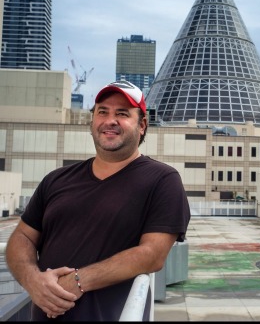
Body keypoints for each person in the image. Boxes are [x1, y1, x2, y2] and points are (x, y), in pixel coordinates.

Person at [5, 81, 191, 321]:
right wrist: (33, 281)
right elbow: (22, 237)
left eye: (122, 114)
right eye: (102, 112)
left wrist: (78, 281)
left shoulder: (162, 180)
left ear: (142, 125)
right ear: (92, 121)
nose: (110, 120)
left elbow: (152, 254)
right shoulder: (57, 180)